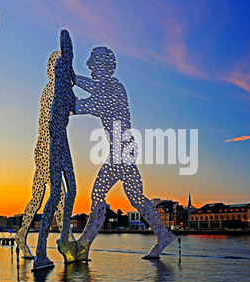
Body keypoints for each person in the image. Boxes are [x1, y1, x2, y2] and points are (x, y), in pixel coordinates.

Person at [74, 47, 175, 259]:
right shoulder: (108, 89)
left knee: (99, 195)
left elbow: (82, 105)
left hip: (121, 151)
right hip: (123, 150)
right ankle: (163, 234)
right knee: (136, 198)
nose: (89, 66)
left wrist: (70, 78)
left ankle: (83, 246)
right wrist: (71, 80)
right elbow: (88, 98)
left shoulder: (113, 89)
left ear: (103, 66)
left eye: (93, 62)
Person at [14, 51, 66, 260]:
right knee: (57, 196)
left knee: (41, 197)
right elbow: (56, 120)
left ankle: (22, 236)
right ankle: (65, 240)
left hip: (47, 149)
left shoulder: (53, 90)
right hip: (47, 150)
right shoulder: (52, 90)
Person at [33, 29, 77, 271]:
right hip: (56, 143)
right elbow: (52, 121)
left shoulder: (65, 89)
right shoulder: (60, 90)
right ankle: (41, 251)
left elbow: (77, 106)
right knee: (57, 194)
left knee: (70, 191)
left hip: (63, 141)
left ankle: (62, 239)